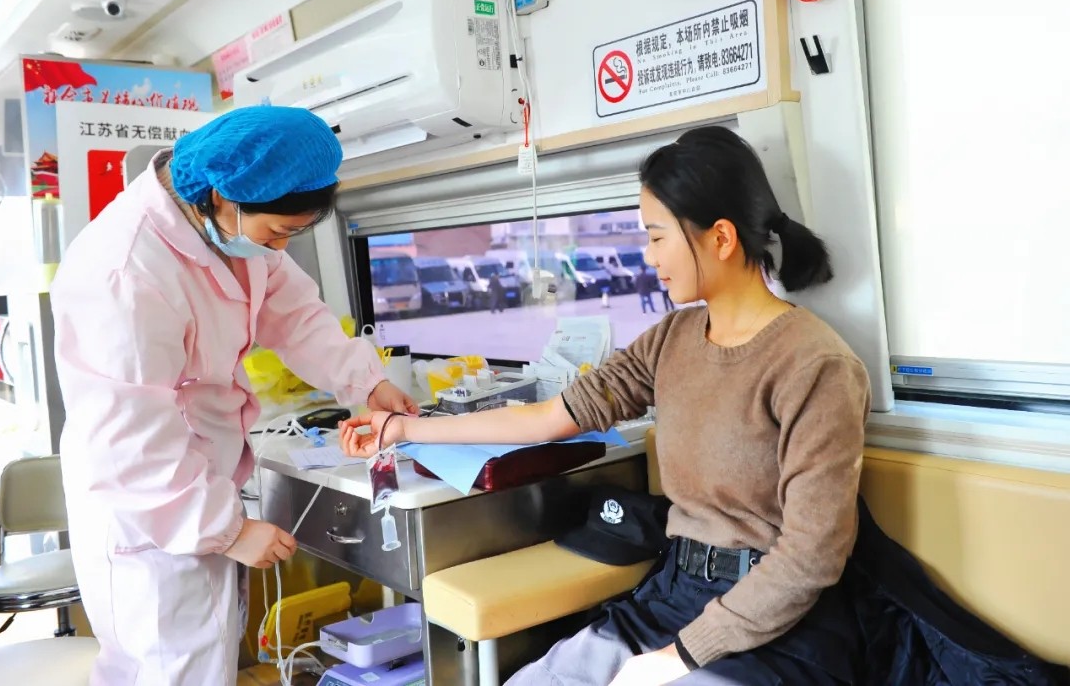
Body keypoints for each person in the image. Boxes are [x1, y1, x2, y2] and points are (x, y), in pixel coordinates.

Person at [340, 126, 871, 686]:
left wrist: (678, 658)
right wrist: (403, 430)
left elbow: (811, 556)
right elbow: (548, 418)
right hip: (674, 596)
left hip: (779, 624)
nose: (649, 256)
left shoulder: (816, 365)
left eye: (658, 237)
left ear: (720, 237)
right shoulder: (672, 340)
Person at [51, 105, 419, 685]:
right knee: (168, 671)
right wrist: (227, 530)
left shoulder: (228, 233)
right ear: (224, 197)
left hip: (197, 485)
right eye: (278, 232)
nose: (281, 247)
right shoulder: (125, 273)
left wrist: (366, 380)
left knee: (209, 661)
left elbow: (295, 314)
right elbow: (130, 444)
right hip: (152, 512)